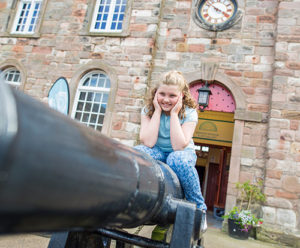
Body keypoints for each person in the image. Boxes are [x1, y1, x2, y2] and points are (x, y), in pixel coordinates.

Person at [134, 70, 207, 240]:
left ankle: (199, 208)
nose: (166, 99)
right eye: (162, 94)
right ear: (155, 93)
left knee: (177, 159)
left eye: (172, 95)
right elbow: (148, 142)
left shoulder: (189, 112)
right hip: (157, 149)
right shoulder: (148, 110)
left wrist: (174, 114)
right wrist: (157, 111)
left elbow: (179, 145)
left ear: (181, 96)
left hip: (181, 153)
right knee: (137, 152)